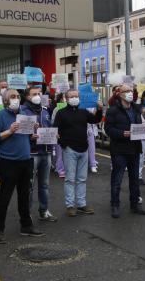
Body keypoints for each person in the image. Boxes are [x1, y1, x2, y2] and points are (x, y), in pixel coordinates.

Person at [0, 89, 44, 243]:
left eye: (18, 97)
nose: (16, 99)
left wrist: (33, 135)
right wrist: (9, 131)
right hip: (7, 161)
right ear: (6, 100)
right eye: (13, 97)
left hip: (25, 160)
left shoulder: (25, 117)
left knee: (25, 195)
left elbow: (26, 137)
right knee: (4, 196)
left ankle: (26, 225)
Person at [53, 89, 102, 217]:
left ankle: (81, 204)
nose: (75, 98)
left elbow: (95, 119)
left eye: (76, 96)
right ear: (66, 98)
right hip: (69, 149)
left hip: (83, 148)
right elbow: (55, 129)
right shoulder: (61, 113)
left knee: (82, 178)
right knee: (70, 179)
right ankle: (70, 205)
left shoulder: (83, 111)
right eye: (72, 96)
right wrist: (63, 143)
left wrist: (100, 109)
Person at [104, 83, 145, 218]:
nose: (130, 93)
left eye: (131, 91)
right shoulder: (113, 110)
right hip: (120, 150)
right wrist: (123, 133)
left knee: (134, 179)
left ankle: (135, 204)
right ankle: (115, 205)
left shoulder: (136, 109)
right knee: (117, 179)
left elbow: (139, 125)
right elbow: (108, 129)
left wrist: (144, 130)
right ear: (120, 94)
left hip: (134, 148)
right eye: (127, 91)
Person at [20, 86, 57, 222]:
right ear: (27, 97)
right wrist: (30, 136)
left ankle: (44, 210)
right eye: (34, 94)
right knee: (29, 185)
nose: (38, 95)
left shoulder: (45, 111)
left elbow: (49, 127)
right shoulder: (22, 112)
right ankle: (26, 213)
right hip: (31, 153)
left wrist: (54, 134)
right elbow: (19, 133)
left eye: (39, 93)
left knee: (44, 184)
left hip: (46, 151)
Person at [51, 93, 66, 178]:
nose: (64, 99)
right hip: (59, 134)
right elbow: (53, 122)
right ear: (60, 99)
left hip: (68, 134)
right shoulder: (56, 109)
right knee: (59, 152)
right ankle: (60, 169)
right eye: (63, 98)